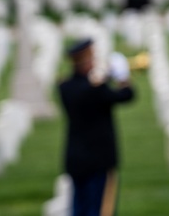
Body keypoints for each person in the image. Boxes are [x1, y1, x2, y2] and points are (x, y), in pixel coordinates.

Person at [57, 38, 136, 216]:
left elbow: (88, 89)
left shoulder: (65, 87)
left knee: (80, 208)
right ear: (86, 60)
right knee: (101, 210)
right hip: (100, 160)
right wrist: (123, 77)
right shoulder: (96, 90)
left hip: (75, 160)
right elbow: (127, 95)